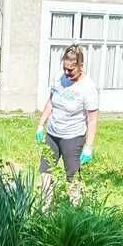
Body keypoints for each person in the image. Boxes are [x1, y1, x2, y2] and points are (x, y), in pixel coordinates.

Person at [35, 45, 99, 207]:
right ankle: (45, 209)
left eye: (71, 70)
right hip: (52, 134)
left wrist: (88, 146)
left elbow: (92, 120)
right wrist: (41, 124)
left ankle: (74, 210)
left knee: (72, 176)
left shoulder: (88, 87)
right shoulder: (59, 78)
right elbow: (51, 102)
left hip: (73, 137)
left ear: (80, 66)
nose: (67, 73)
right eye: (65, 68)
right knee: (45, 172)